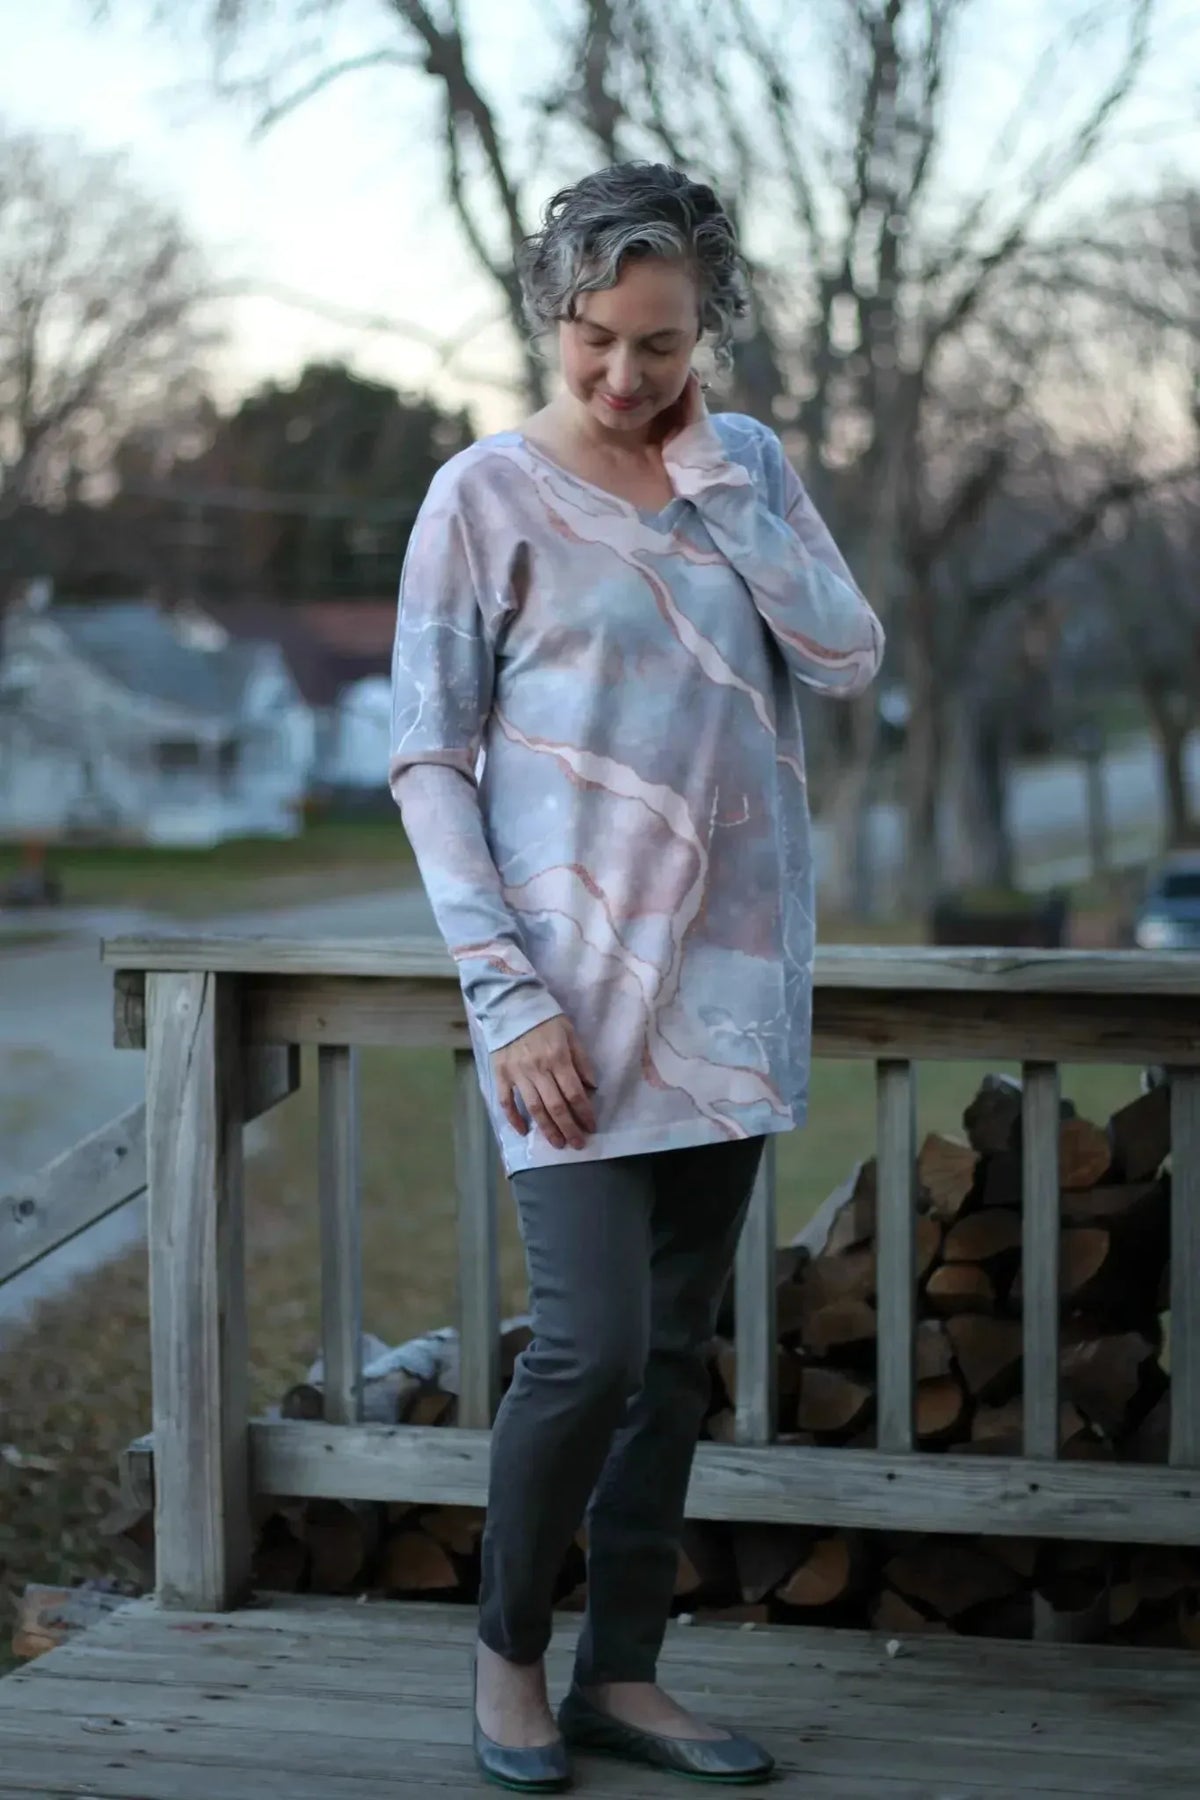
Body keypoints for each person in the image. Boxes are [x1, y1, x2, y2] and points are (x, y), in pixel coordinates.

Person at [389, 162, 884, 1793]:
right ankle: (509, 1656)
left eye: (662, 346)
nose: (624, 379)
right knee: (588, 1347)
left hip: (731, 981)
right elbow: (429, 761)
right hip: (566, 1007)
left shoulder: (746, 465)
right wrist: (503, 991)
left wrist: (720, 490)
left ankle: (628, 1672)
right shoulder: (480, 496)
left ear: (706, 335)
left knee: (672, 1353)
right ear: (555, 313)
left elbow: (847, 653)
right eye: (597, 338)